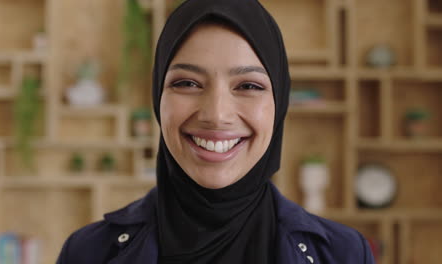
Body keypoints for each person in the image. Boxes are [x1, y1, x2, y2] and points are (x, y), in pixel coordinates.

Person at [57, 0, 375, 263]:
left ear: (279, 102)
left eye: (248, 86)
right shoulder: (88, 253)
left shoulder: (344, 254)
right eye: (187, 83)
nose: (217, 115)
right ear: (157, 97)